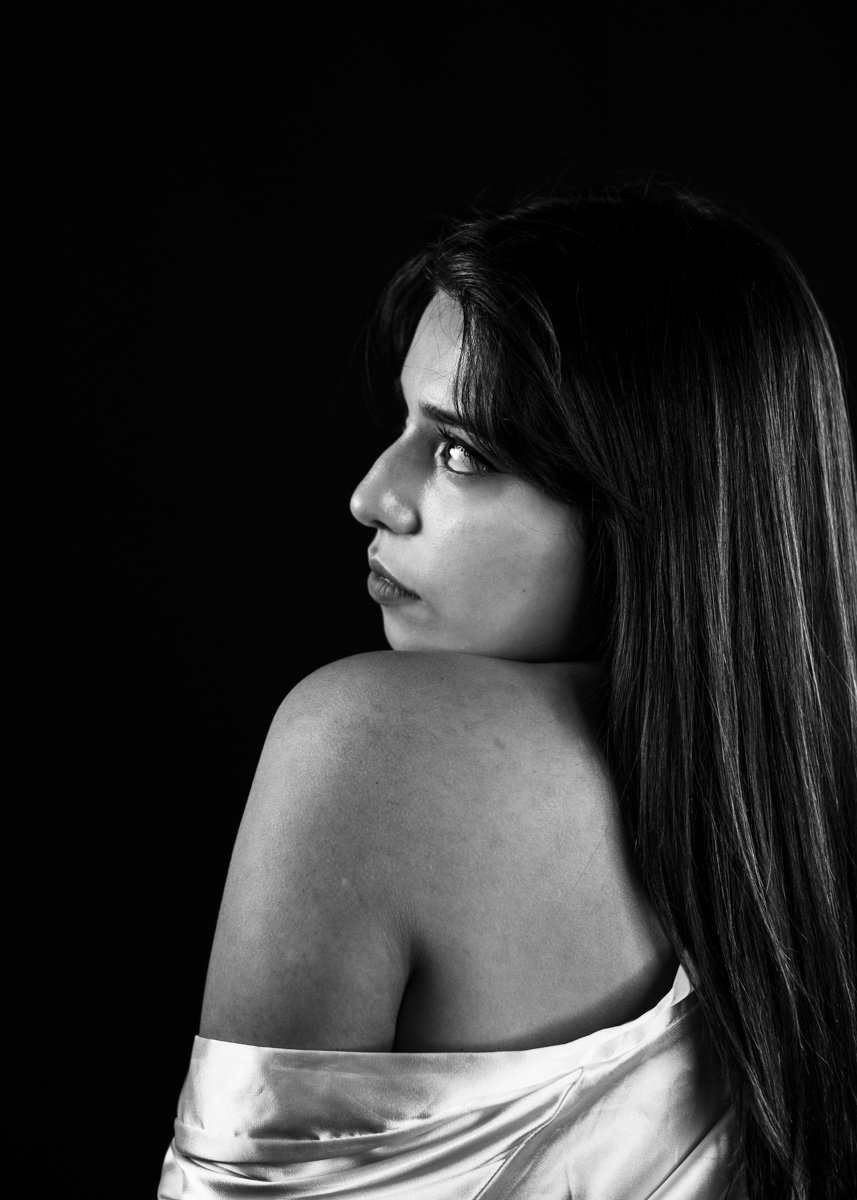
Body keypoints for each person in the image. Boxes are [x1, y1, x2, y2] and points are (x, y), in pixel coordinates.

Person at [159, 181, 857, 1199]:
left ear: (651, 505)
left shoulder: (372, 741)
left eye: (460, 451)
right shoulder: (810, 831)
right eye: (406, 423)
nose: (371, 495)